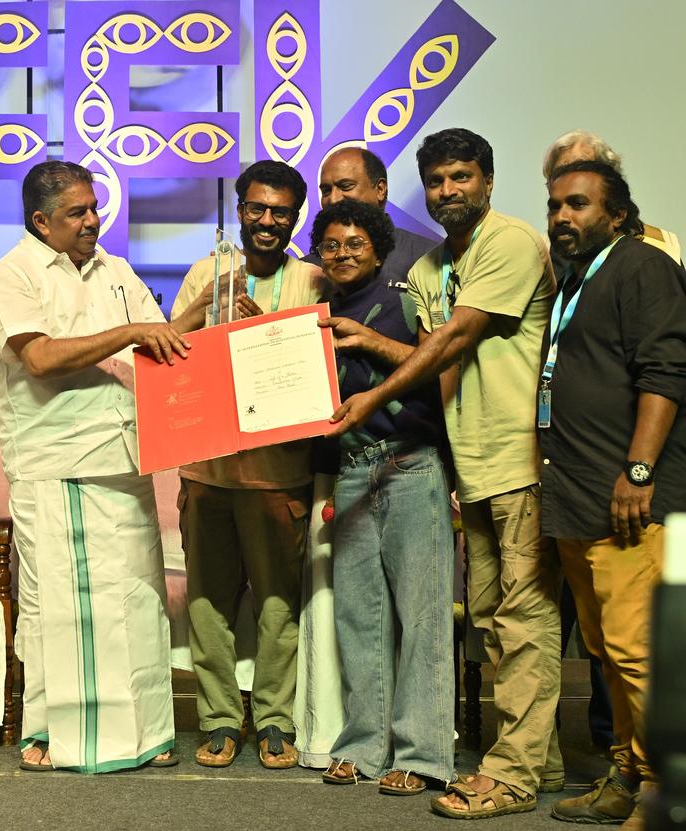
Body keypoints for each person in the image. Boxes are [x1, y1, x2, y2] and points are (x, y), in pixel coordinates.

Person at [329, 128, 562, 819]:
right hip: (470, 464)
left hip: (521, 458)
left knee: (522, 618)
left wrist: (372, 393)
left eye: (461, 177)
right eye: (435, 181)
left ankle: (514, 771)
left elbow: (454, 338)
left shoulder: (510, 242)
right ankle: (537, 761)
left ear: (488, 182)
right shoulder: (430, 269)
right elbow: (431, 353)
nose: (447, 191)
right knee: (492, 620)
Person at [0, 160, 205, 773]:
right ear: (41, 221)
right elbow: (41, 358)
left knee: (135, 600)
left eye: (93, 208)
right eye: (77, 213)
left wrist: (207, 311)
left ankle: (146, 735)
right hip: (58, 462)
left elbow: (157, 338)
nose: (92, 220)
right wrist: (130, 331)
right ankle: (55, 737)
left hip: (126, 455)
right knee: (62, 607)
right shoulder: (13, 273)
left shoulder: (115, 268)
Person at [540, 160, 686, 829]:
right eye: (555, 206)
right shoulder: (573, 280)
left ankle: (660, 794)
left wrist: (637, 472)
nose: (563, 217)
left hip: (627, 499)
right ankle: (625, 775)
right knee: (605, 651)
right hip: (578, 499)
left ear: (618, 214)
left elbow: (667, 369)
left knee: (636, 653)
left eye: (578, 204)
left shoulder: (643, 267)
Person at [168, 160, 321, 768]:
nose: (266, 221)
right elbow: (169, 346)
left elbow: (320, 364)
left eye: (279, 212)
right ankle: (220, 721)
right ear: (239, 210)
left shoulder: (311, 278)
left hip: (278, 475)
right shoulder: (207, 271)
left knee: (278, 605)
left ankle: (276, 721)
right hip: (207, 473)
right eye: (256, 208)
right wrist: (209, 307)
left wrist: (268, 334)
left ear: (294, 217)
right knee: (208, 604)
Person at [308, 200, 454, 794]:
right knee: (357, 618)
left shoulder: (405, 298)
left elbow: (438, 364)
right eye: (332, 245)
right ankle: (364, 747)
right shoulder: (314, 315)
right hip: (350, 472)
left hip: (411, 465)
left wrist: (367, 340)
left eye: (356, 243)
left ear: (378, 248)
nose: (343, 253)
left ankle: (420, 757)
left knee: (421, 617)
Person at [542, 131, 681, 263]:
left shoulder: (658, 247)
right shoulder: (540, 251)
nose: (570, 181)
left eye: (584, 169)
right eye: (560, 175)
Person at [316, 146, 439, 286]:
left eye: (346, 186)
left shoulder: (427, 258)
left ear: (380, 189)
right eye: (326, 191)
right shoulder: (310, 271)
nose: (333, 199)